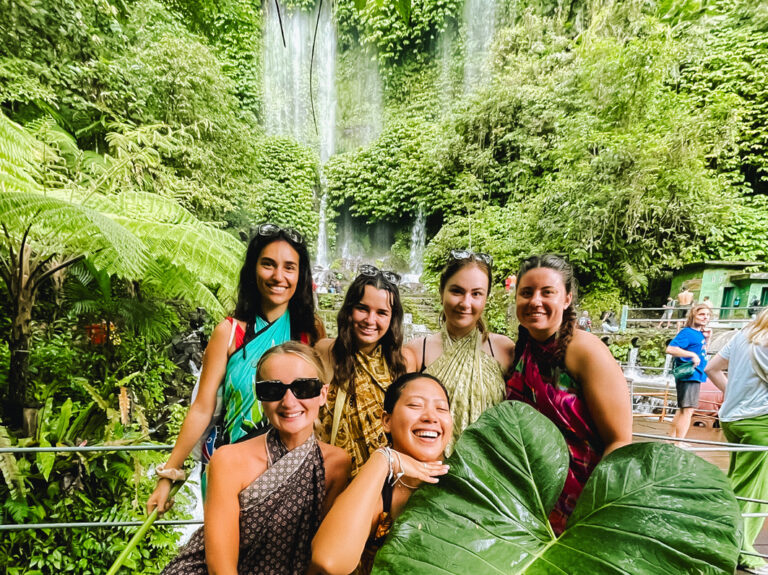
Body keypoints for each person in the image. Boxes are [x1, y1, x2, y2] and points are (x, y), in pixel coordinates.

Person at [147, 224, 322, 514]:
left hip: (292, 469)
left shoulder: (309, 332)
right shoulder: (229, 334)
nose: (279, 276)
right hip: (230, 470)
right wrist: (169, 474)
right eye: (268, 264)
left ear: (300, 276)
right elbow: (202, 408)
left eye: (289, 267)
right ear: (253, 270)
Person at [162, 342, 350, 575]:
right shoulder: (228, 460)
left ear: (323, 394)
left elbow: (320, 555)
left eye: (303, 388)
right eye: (273, 390)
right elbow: (221, 568)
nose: (289, 402)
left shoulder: (337, 464)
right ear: (260, 398)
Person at [506, 254, 632, 534]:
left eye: (547, 292)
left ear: (566, 299)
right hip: (529, 497)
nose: (535, 301)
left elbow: (620, 440)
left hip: (581, 502)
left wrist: (594, 507)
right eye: (526, 293)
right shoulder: (522, 350)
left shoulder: (586, 351)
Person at [310, 373, 453, 575]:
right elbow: (328, 561)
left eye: (441, 408)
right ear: (386, 420)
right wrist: (383, 459)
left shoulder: (468, 481)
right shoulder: (376, 488)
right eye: (415, 405)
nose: (431, 417)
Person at [404, 250, 515, 453]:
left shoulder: (504, 350)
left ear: (486, 298)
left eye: (476, 294)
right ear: (441, 292)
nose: (465, 303)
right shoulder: (416, 351)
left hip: (489, 474)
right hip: (431, 473)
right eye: (456, 291)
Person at [315, 267, 407, 475]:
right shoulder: (324, 352)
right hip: (332, 476)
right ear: (349, 310)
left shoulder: (402, 362)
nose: (370, 320)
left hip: (385, 479)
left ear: (392, 319)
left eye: (382, 313)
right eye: (363, 309)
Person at [705, 307, 768, 575]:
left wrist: (736, 394)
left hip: (733, 419)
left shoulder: (744, 335)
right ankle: (741, 551)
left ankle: (718, 537)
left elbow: (711, 368)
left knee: (740, 483)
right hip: (759, 423)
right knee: (751, 491)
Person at [666, 303, 712, 442]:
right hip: (690, 375)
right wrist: (692, 355)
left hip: (695, 374)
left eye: (708, 315)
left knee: (682, 409)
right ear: (693, 315)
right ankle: (679, 443)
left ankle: (671, 439)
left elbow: (703, 351)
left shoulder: (699, 334)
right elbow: (671, 349)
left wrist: (708, 339)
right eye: (702, 314)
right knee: (688, 410)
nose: (705, 317)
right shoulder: (687, 332)